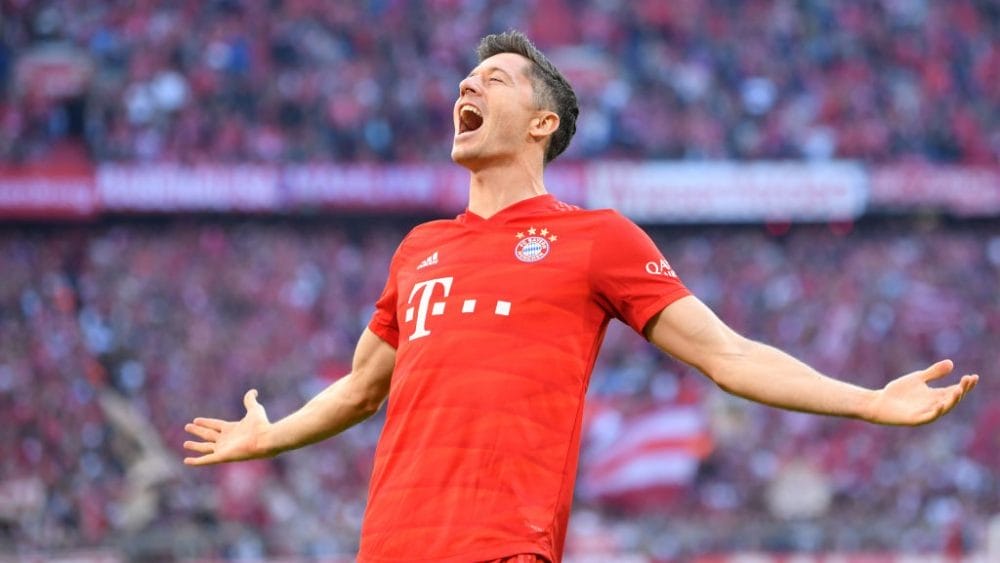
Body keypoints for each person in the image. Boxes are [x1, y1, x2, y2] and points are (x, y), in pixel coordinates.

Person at [183, 30, 978, 562]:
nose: (469, 84)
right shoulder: (418, 248)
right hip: (389, 545)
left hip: (502, 545)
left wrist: (867, 402)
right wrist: (271, 435)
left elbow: (727, 356)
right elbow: (362, 388)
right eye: (466, 78)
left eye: (494, 78)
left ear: (541, 123)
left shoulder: (596, 237)